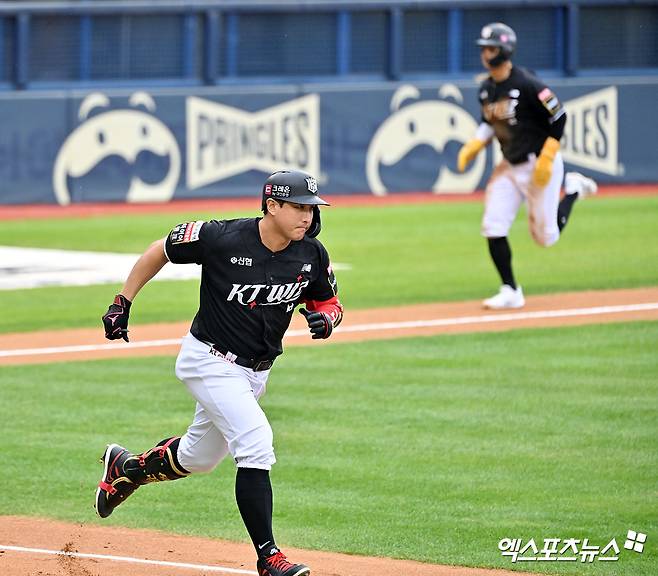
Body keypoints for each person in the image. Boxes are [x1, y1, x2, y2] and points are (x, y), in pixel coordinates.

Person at [96, 170, 343, 576]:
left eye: (311, 207)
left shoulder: (311, 253)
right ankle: (269, 558)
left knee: (199, 457)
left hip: (253, 374)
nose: (307, 215)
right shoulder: (221, 238)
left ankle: (126, 469)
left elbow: (329, 301)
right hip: (208, 359)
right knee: (256, 442)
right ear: (272, 206)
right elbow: (161, 248)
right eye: (298, 206)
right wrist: (123, 301)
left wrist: (326, 319)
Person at [457, 22, 597, 309]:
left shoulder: (527, 83)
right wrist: (474, 144)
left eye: (492, 48)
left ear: (506, 50)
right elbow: (489, 123)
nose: (486, 54)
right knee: (493, 225)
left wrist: (549, 154)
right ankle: (510, 289)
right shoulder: (486, 89)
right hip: (509, 165)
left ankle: (572, 189)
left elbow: (559, 116)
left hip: (539, 163)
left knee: (546, 238)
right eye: (484, 49)